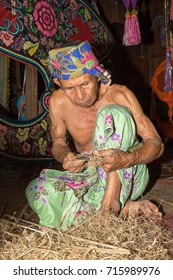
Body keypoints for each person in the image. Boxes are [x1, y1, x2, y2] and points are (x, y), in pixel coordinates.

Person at [25, 41, 164, 231]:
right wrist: (65, 156)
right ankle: (124, 209)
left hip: (128, 174)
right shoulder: (58, 102)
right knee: (38, 190)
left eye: (84, 84)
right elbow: (58, 144)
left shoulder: (119, 95)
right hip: (90, 177)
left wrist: (128, 158)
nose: (79, 95)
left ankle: (111, 203)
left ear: (97, 75)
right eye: (70, 88)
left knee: (112, 113)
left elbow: (156, 143)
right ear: (58, 83)